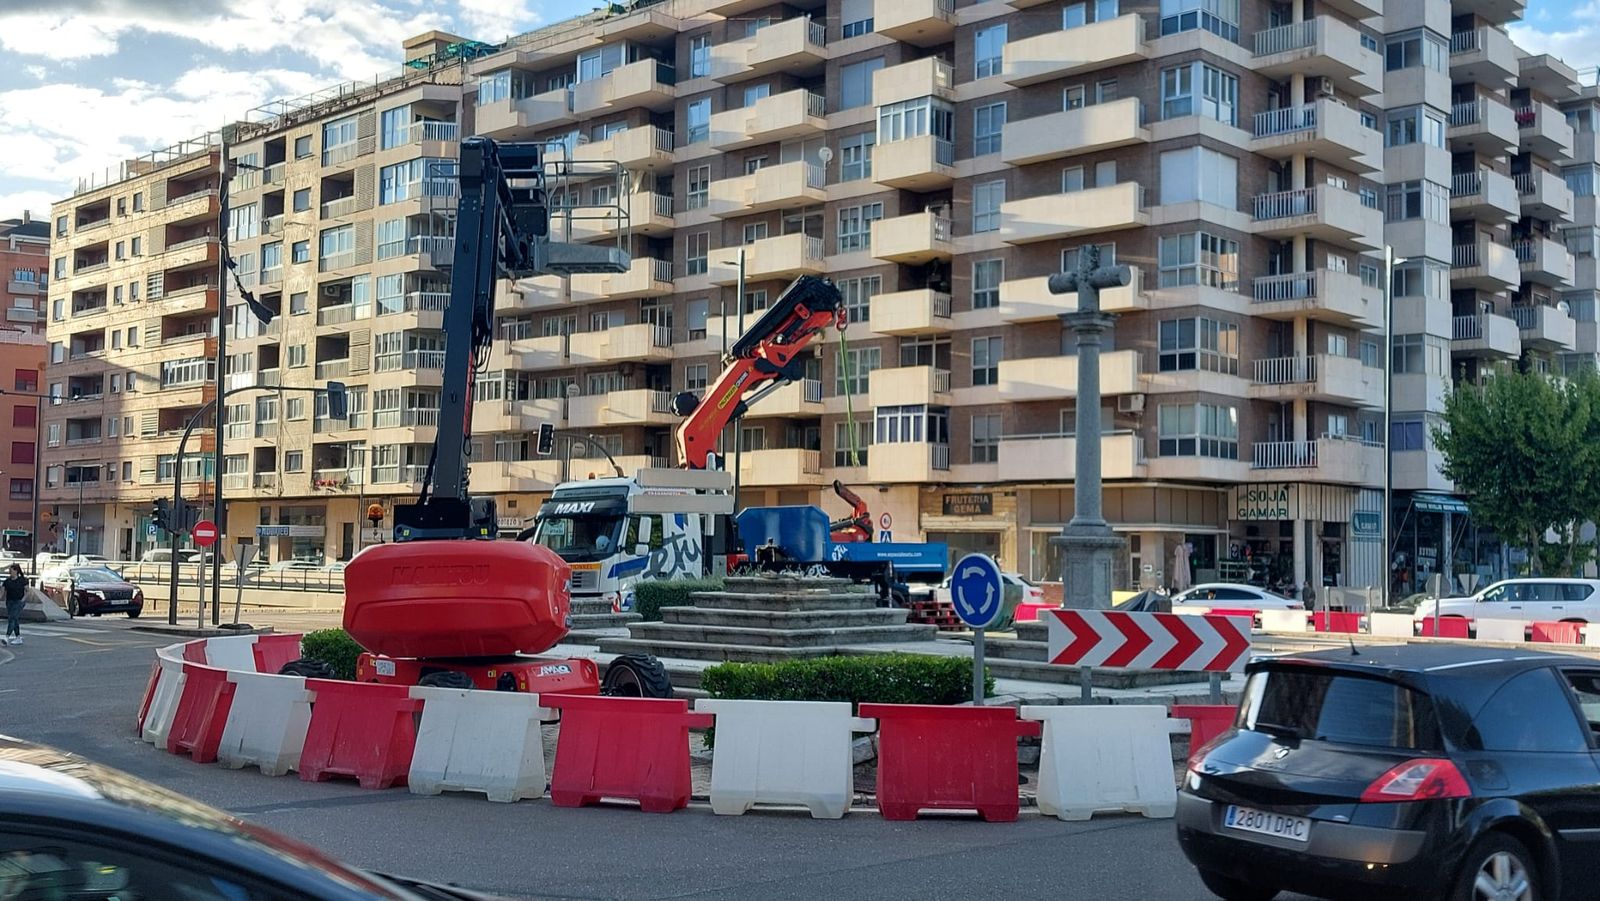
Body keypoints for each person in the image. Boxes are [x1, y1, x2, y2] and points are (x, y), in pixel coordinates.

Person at [3, 564, 26, 646]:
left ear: (16, 571)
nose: (10, 572)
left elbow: (28, 591)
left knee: (12, 618)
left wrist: (24, 599)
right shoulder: (7, 581)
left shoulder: (22, 580)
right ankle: (18, 637)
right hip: (9, 601)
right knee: (14, 619)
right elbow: (3, 592)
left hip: (19, 601)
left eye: (11, 570)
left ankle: (7, 636)